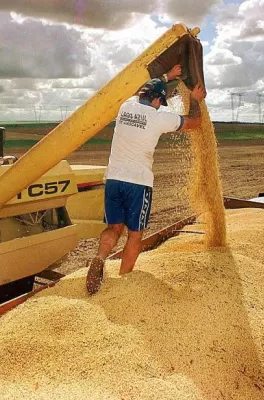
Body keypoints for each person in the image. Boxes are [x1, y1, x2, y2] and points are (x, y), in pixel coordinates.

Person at [85, 67, 206, 295]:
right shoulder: (159, 117)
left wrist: (166, 77)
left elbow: (143, 87)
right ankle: (124, 279)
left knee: (113, 227)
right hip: (137, 183)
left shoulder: (126, 105)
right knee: (135, 234)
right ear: (158, 100)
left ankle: (100, 257)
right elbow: (194, 122)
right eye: (161, 101)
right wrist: (194, 99)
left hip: (113, 178)